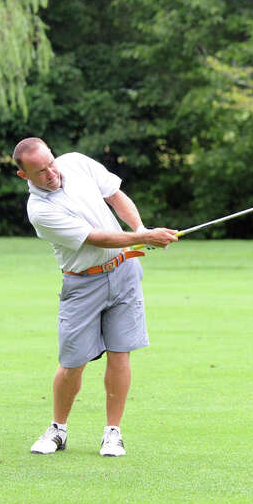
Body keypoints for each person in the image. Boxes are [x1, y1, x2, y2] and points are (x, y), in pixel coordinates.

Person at [13, 137, 179, 457]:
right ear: (25, 176)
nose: (51, 173)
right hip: (82, 285)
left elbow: (115, 196)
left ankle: (112, 433)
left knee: (120, 353)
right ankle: (58, 429)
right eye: (40, 171)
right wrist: (142, 237)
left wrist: (139, 227)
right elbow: (96, 238)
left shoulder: (75, 162)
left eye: (51, 163)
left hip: (124, 272)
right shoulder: (40, 210)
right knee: (72, 363)